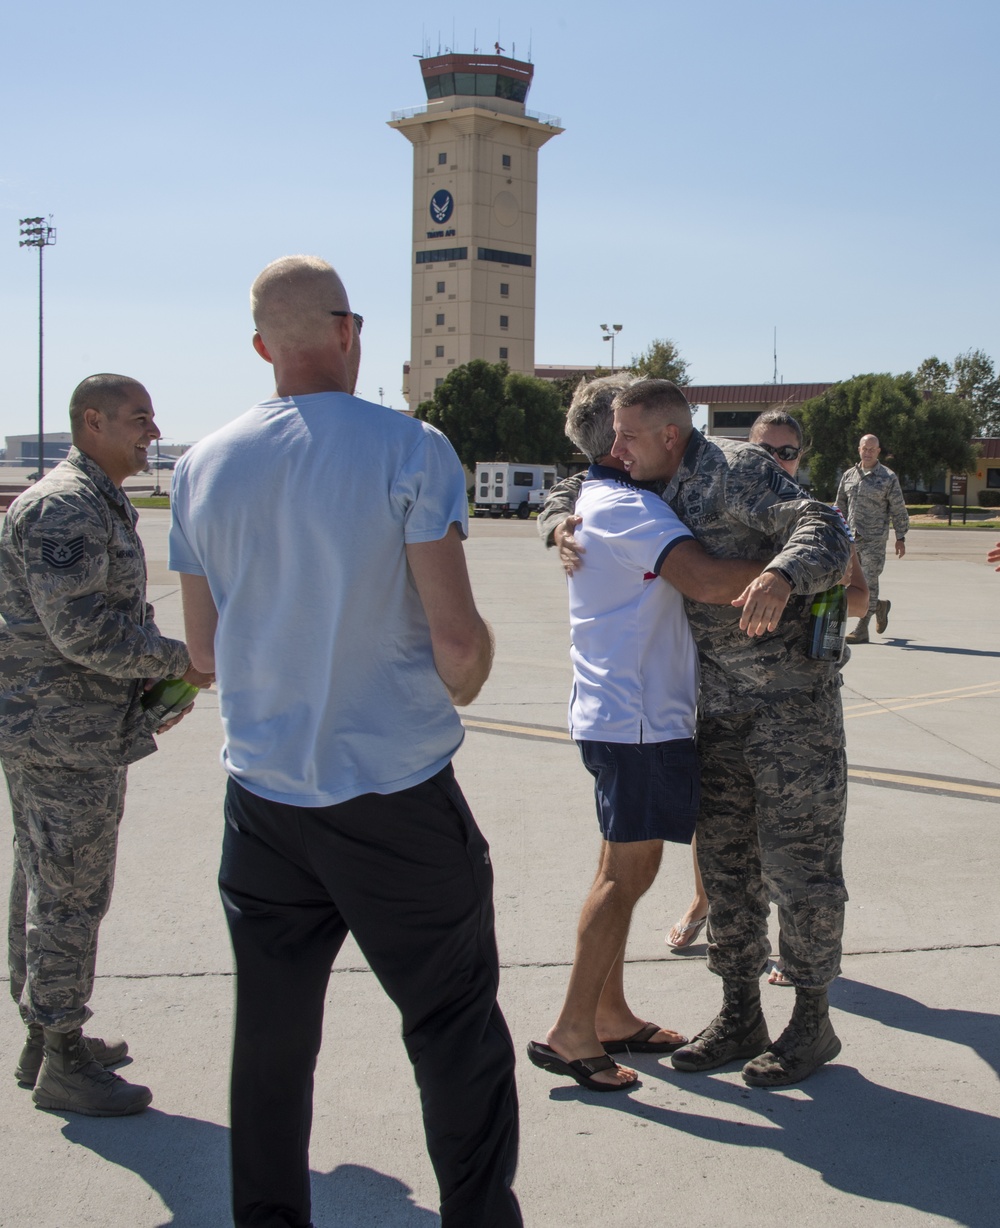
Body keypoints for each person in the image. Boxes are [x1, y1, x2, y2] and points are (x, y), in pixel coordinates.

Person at [169, 256, 521, 1228]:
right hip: (391, 795)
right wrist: (476, 659)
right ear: (348, 332)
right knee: (451, 1029)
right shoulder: (409, 446)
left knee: (272, 1040)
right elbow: (456, 647)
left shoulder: (201, 464)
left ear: (260, 347)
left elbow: (200, 653)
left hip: (264, 802)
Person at [540, 379, 852, 1088]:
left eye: (628, 437)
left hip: (790, 710)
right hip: (711, 712)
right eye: (613, 437)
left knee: (799, 868)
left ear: (670, 436)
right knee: (726, 866)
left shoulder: (737, 471)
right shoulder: (641, 480)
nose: (614, 450)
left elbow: (826, 527)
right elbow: (574, 491)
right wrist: (555, 521)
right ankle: (740, 1011)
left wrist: (779, 573)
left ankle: (811, 1021)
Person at [527, 378, 766, 1092]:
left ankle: (608, 1014)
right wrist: (801, 575)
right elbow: (710, 581)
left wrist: (556, 516)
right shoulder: (629, 508)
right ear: (616, 440)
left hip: (620, 715)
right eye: (630, 427)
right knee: (627, 876)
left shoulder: (599, 501)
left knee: (617, 873)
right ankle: (572, 1030)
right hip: (636, 723)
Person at [0, 373, 208, 1116]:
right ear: (92, 421)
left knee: (47, 887)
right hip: (62, 738)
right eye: (138, 418)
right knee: (68, 897)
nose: (152, 431)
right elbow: (83, 632)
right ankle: (61, 1057)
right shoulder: (66, 506)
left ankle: (45, 1037)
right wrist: (175, 661)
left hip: (67, 729)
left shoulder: (95, 496)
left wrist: (144, 698)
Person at [748, 410, 868, 987]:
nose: (778, 462)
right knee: (732, 838)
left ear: (803, 456)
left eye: (788, 452)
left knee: (802, 844)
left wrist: (809, 588)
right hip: (732, 702)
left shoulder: (829, 520)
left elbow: (861, 600)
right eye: (766, 451)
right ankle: (715, 919)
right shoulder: (732, 512)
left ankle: (801, 958)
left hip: (804, 701)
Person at [835, 433, 908, 643]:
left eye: (872, 449)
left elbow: (898, 508)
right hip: (850, 540)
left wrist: (900, 536)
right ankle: (879, 606)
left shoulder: (888, 477)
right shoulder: (849, 475)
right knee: (846, 583)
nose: (867, 452)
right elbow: (839, 505)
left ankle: (862, 628)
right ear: (859, 449)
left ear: (878, 452)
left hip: (874, 540)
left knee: (868, 582)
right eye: (864, 448)